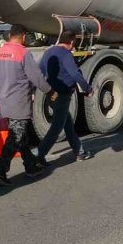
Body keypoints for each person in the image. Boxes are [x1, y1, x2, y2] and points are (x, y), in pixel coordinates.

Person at [0, 24, 53, 186]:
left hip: (4, 103)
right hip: (19, 103)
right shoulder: (23, 53)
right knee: (15, 137)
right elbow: (36, 77)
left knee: (21, 135)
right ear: (22, 36)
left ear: (9, 36)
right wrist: (50, 91)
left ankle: (30, 166)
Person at [36, 31, 94, 165]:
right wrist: (88, 89)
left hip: (51, 94)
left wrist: (47, 89)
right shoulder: (66, 54)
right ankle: (39, 155)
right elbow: (75, 74)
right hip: (63, 94)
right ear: (72, 42)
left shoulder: (49, 52)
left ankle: (79, 152)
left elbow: (40, 72)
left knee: (67, 124)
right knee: (57, 127)